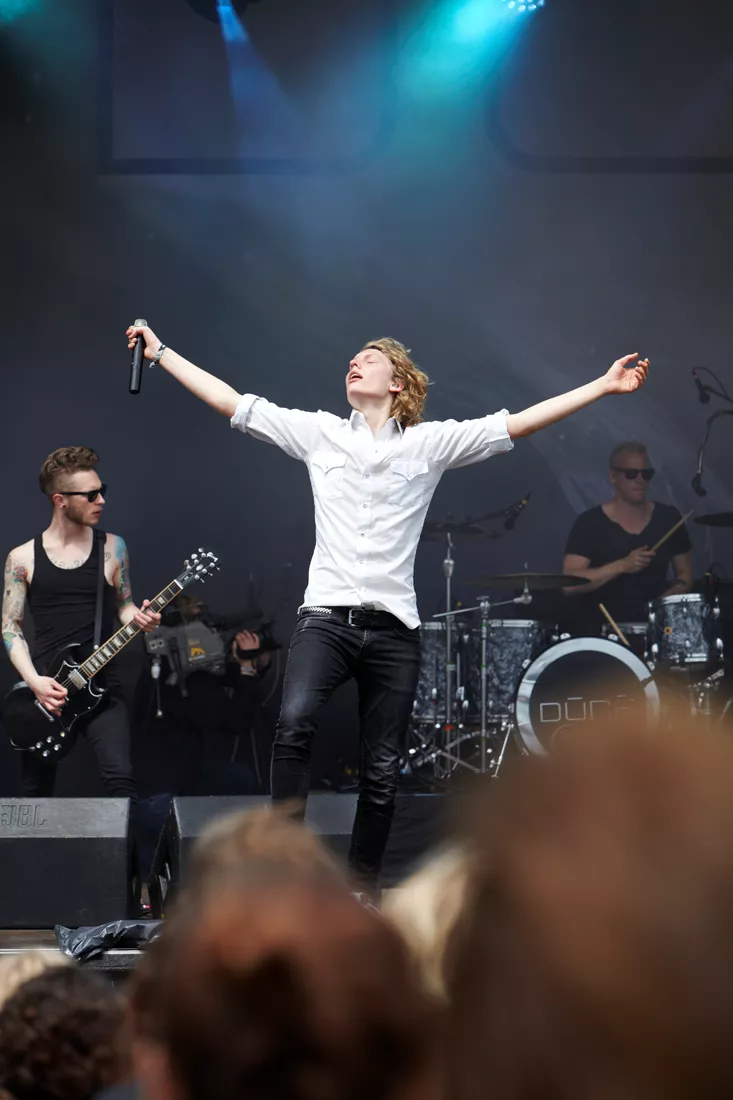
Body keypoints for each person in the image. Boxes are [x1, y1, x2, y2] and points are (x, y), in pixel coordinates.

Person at [126, 322, 649, 897]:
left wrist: (602, 386)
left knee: (381, 768)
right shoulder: (321, 433)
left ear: (398, 382)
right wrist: (162, 353)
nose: (353, 364)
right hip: (326, 618)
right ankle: (285, 877)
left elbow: (518, 423)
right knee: (294, 724)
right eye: (351, 360)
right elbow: (234, 403)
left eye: (368, 359)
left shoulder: (430, 444)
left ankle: (363, 891)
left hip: (395, 627)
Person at [1, 446, 160, 798]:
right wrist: (35, 683)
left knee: (121, 779)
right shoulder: (22, 558)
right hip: (46, 691)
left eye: (102, 491)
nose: (101, 500)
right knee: (35, 792)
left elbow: (124, 607)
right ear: (60, 500)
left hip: (102, 684)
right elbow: (10, 629)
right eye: (91, 495)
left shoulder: (114, 548)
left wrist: (139, 618)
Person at [562, 441, 692, 629]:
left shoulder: (668, 517)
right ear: (613, 477)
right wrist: (623, 565)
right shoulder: (589, 523)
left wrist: (661, 604)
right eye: (631, 474)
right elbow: (569, 584)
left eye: (646, 474)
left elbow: (685, 574)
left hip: (656, 630)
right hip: (602, 632)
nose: (640, 480)